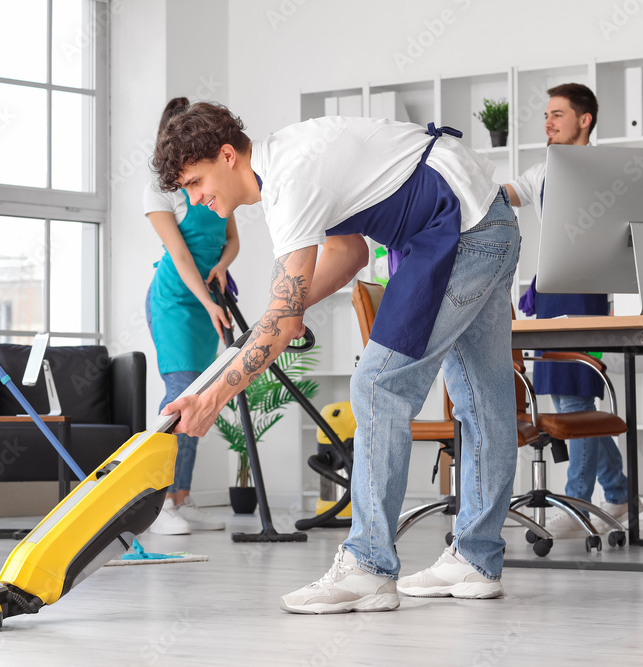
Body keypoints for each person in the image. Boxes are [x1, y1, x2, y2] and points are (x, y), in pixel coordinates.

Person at [154, 102, 520, 613]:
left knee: (379, 385)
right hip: (485, 221)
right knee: (483, 398)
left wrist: (213, 396)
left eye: (195, 182)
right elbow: (349, 255)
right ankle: (476, 560)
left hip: (457, 229)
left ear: (226, 155)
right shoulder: (294, 155)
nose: (195, 200)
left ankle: (368, 566)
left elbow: (282, 320)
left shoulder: (289, 178)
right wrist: (291, 307)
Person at [503, 83, 642, 538]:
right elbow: (507, 194)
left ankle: (578, 502)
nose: (548, 122)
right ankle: (619, 495)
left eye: (558, 114)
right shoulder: (542, 171)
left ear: (585, 119)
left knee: (578, 400)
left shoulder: (604, 172)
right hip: (550, 296)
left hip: (586, 294)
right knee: (568, 403)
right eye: (546, 115)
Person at [144, 97, 239, 535]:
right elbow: (180, 256)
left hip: (210, 299)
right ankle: (160, 503)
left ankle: (182, 499)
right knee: (181, 394)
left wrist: (222, 268)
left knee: (200, 399)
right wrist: (207, 302)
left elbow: (230, 239)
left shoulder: (216, 181)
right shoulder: (160, 190)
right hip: (175, 303)